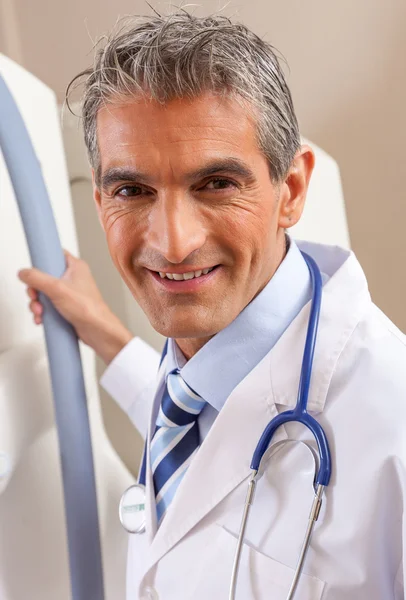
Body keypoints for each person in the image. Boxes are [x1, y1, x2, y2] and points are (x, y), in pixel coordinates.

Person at [17, 12, 406, 600]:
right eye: (132, 190)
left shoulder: (391, 427)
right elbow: (207, 415)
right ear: (100, 202)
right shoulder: (198, 369)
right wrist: (103, 331)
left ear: (292, 190)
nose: (173, 243)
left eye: (216, 184)